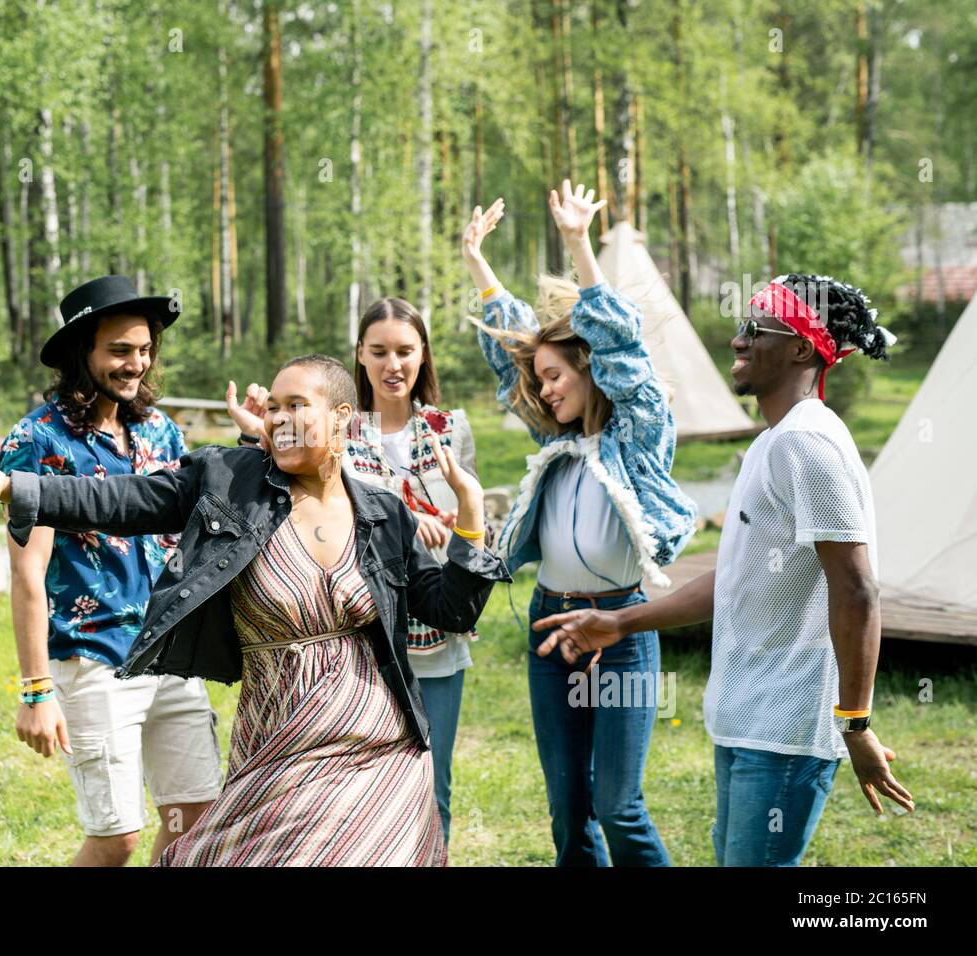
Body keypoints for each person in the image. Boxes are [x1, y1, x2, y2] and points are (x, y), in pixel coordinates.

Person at [0, 353, 511, 867]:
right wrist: (1, 485)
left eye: (296, 406)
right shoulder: (229, 481)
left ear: (341, 418)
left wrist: (470, 515)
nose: (278, 418)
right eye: (273, 406)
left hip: (381, 750)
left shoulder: (383, 513)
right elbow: (116, 500)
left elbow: (449, 610)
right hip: (280, 747)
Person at [535, 273, 915, 866]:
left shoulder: (808, 444)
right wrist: (623, 622)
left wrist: (856, 723)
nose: (737, 341)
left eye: (754, 329)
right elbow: (737, 577)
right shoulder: (773, 443)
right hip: (746, 720)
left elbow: (857, 590)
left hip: (783, 731)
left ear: (799, 348)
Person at [461, 182, 698, 866]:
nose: (546, 389)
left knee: (618, 805)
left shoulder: (641, 437)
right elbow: (507, 360)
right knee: (569, 812)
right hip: (551, 630)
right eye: (541, 380)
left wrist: (577, 246)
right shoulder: (553, 447)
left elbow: (622, 349)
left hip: (621, 632)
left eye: (558, 376)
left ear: (590, 370)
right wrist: (478, 264)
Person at [223, 299, 481, 846]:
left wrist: (453, 527)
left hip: (433, 628)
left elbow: (470, 511)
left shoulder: (449, 429)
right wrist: (258, 436)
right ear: (360, 355)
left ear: (423, 356)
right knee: (343, 795)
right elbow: (290, 489)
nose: (394, 364)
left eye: (406, 351)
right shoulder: (336, 425)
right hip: (357, 641)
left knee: (431, 786)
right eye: (380, 350)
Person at [0, 275, 222, 866]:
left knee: (193, 816)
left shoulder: (160, 430)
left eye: (144, 350)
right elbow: (27, 573)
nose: (136, 364)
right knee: (116, 835)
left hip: (172, 651)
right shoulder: (38, 441)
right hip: (94, 658)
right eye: (119, 351)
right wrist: (35, 689)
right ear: (82, 354)